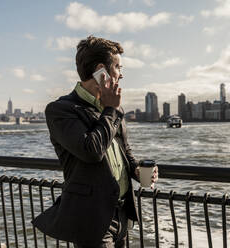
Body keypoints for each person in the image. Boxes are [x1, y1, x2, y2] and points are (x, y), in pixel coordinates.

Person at [32, 36, 158, 247]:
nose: (122, 73)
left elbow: (123, 150)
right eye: (118, 66)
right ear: (102, 71)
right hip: (91, 218)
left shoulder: (114, 108)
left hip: (122, 215)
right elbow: (91, 151)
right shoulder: (61, 110)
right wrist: (110, 110)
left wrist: (136, 169)